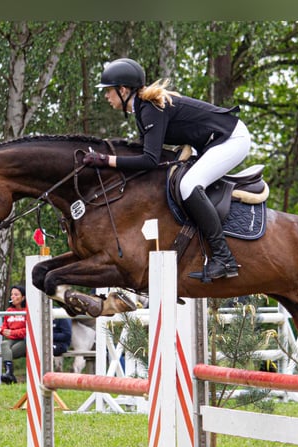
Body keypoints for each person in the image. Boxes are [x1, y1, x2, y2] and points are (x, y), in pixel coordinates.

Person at [86, 57, 251, 282]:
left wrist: (107, 160)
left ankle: (224, 258)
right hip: (211, 142)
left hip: (232, 139)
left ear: (123, 90)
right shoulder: (143, 110)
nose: (106, 96)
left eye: (108, 91)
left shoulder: (150, 109)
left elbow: (149, 160)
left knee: (188, 185)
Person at [0, 285, 27, 383]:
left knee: (9, 352)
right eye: (12, 294)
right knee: (4, 344)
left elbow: (28, 330)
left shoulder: (27, 310)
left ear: (23, 297)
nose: (13, 297)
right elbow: (5, 327)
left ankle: (10, 376)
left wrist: (12, 333)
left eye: (16, 294)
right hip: (12, 339)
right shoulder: (9, 311)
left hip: (25, 340)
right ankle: (9, 373)